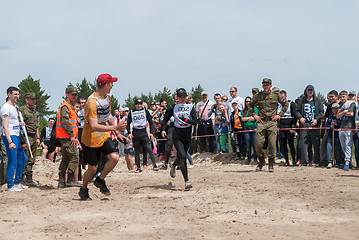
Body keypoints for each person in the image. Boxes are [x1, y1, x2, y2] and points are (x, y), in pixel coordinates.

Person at [79, 73, 126, 200]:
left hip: (103, 136)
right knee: (92, 168)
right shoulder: (91, 102)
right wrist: (114, 128)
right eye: (111, 83)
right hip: (90, 139)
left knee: (115, 157)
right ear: (105, 85)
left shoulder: (107, 98)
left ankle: (100, 180)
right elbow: (94, 126)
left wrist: (117, 133)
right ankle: (83, 189)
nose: (112, 86)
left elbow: (108, 115)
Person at [248, 78, 289, 172]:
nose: (265, 87)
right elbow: (250, 105)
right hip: (261, 122)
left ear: (270, 85)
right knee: (258, 144)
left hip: (272, 122)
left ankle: (271, 164)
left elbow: (285, 103)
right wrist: (254, 115)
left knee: (272, 143)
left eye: (267, 85)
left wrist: (279, 114)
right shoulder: (258, 96)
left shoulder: (276, 95)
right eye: (264, 85)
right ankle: (261, 161)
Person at [160, 88, 198, 189]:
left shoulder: (190, 107)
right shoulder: (173, 108)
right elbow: (165, 120)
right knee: (182, 156)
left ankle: (173, 165)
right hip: (177, 134)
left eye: (184, 96)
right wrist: (161, 128)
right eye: (180, 96)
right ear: (177, 97)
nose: (182, 98)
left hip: (187, 133)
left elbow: (195, 121)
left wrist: (185, 119)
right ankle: (187, 181)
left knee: (183, 156)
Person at [1, 86, 28, 191]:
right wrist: (10, 141)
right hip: (10, 137)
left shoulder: (14, 107)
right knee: (13, 161)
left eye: (18, 94)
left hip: (16, 135)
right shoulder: (6, 108)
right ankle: (10, 185)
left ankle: (17, 182)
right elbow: (5, 126)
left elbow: (12, 123)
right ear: (9, 95)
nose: (17, 96)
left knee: (23, 159)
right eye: (15, 94)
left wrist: (20, 124)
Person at [56, 86, 81, 188]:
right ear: (67, 95)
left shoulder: (69, 107)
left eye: (76, 94)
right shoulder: (65, 107)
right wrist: (71, 135)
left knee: (66, 159)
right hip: (67, 137)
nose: (75, 96)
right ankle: (70, 180)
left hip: (66, 137)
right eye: (72, 94)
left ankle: (62, 182)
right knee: (75, 157)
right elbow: (64, 121)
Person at [295, 85, 324, 166]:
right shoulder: (302, 100)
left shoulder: (317, 100)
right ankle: (304, 161)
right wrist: (300, 118)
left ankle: (317, 161)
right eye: (308, 90)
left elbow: (322, 112)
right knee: (304, 143)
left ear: (313, 91)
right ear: (306, 91)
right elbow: (296, 111)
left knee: (316, 143)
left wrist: (316, 119)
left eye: (311, 90)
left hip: (315, 124)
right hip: (305, 123)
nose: (310, 92)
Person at [126, 99, 159, 172]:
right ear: (135, 105)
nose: (139, 105)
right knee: (136, 151)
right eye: (137, 104)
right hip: (136, 133)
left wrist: (151, 133)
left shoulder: (145, 112)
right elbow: (128, 123)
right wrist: (129, 133)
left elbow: (150, 122)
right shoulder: (132, 112)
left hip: (144, 132)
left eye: (140, 104)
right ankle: (138, 167)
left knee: (149, 149)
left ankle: (154, 165)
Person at [18, 92, 40, 186]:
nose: (34, 101)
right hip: (26, 137)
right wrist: (22, 140)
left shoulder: (34, 111)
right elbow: (19, 127)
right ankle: (21, 178)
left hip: (33, 137)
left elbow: (36, 125)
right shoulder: (22, 110)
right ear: (27, 100)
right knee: (25, 157)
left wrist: (38, 137)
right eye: (32, 99)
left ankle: (29, 179)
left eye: (35, 99)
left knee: (32, 158)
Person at [337, 90, 356, 171]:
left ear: (347, 96)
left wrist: (343, 112)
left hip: (349, 127)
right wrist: (344, 112)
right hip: (342, 127)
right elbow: (337, 115)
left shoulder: (352, 103)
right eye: (341, 97)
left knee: (348, 145)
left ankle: (347, 162)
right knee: (343, 146)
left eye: (343, 96)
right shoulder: (342, 104)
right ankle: (347, 161)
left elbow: (351, 114)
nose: (342, 98)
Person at [277, 90, 297, 166]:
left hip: (289, 123)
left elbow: (294, 114)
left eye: (283, 96)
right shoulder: (278, 105)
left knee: (291, 143)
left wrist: (293, 125)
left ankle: (294, 161)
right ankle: (286, 161)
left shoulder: (291, 103)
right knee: (283, 144)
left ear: (286, 96)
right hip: (281, 124)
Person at [324, 103, 342, 168]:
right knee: (329, 148)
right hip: (330, 134)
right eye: (333, 109)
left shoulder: (340, 117)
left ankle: (338, 162)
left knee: (338, 148)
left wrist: (336, 125)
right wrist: (330, 126)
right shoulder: (330, 116)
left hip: (338, 135)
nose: (334, 110)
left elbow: (341, 125)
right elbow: (327, 125)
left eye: (336, 109)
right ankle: (330, 162)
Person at [240, 97, 257, 164]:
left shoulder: (255, 109)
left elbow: (255, 118)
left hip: (253, 128)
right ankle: (248, 158)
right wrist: (250, 118)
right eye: (246, 101)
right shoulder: (243, 110)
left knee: (254, 144)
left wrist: (247, 118)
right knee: (248, 144)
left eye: (249, 101)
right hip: (247, 129)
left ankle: (255, 158)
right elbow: (242, 119)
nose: (248, 103)